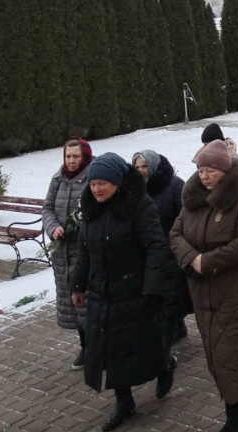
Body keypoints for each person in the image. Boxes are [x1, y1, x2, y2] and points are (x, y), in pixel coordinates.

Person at [71, 154, 173, 432]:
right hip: (101, 291)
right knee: (110, 350)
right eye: (93, 184)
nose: (97, 189)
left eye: (103, 183)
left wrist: (151, 289)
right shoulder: (90, 207)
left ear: (117, 182)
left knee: (145, 344)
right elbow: (84, 250)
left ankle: (165, 365)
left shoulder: (139, 206)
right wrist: (77, 284)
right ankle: (124, 402)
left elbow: (156, 247)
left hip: (134, 288)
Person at [171, 140, 238, 432]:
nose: (204, 176)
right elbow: (175, 233)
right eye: (200, 170)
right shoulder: (194, 197)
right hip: (201, 289)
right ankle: (232, 406)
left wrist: (206, 262)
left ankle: (237, 413)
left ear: (224, 170)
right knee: (213, 347)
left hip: (235, 287)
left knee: (231, 349)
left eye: (211, 170)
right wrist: (192, 259)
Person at [43, 136, 92, 368]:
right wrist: (53, 228)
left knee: (88, 301)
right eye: (68, 156)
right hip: (62, 252)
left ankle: (96, 347)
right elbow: (48, 209)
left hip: (85, 252)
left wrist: (82, 228)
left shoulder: (93, 177)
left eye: (76, 156)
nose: (71, 161)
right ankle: (85, 346)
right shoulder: (58, 178)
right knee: (72, 303)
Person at [132, 150, 190, 344]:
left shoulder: (174, 186)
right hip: (146, 250)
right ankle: (173, 326)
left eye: (144, 166)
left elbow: (185, 218)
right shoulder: (135, 188)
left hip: (171, 248)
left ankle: (173, 327)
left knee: (171, 293)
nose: (141, 171)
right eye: (137, 167)